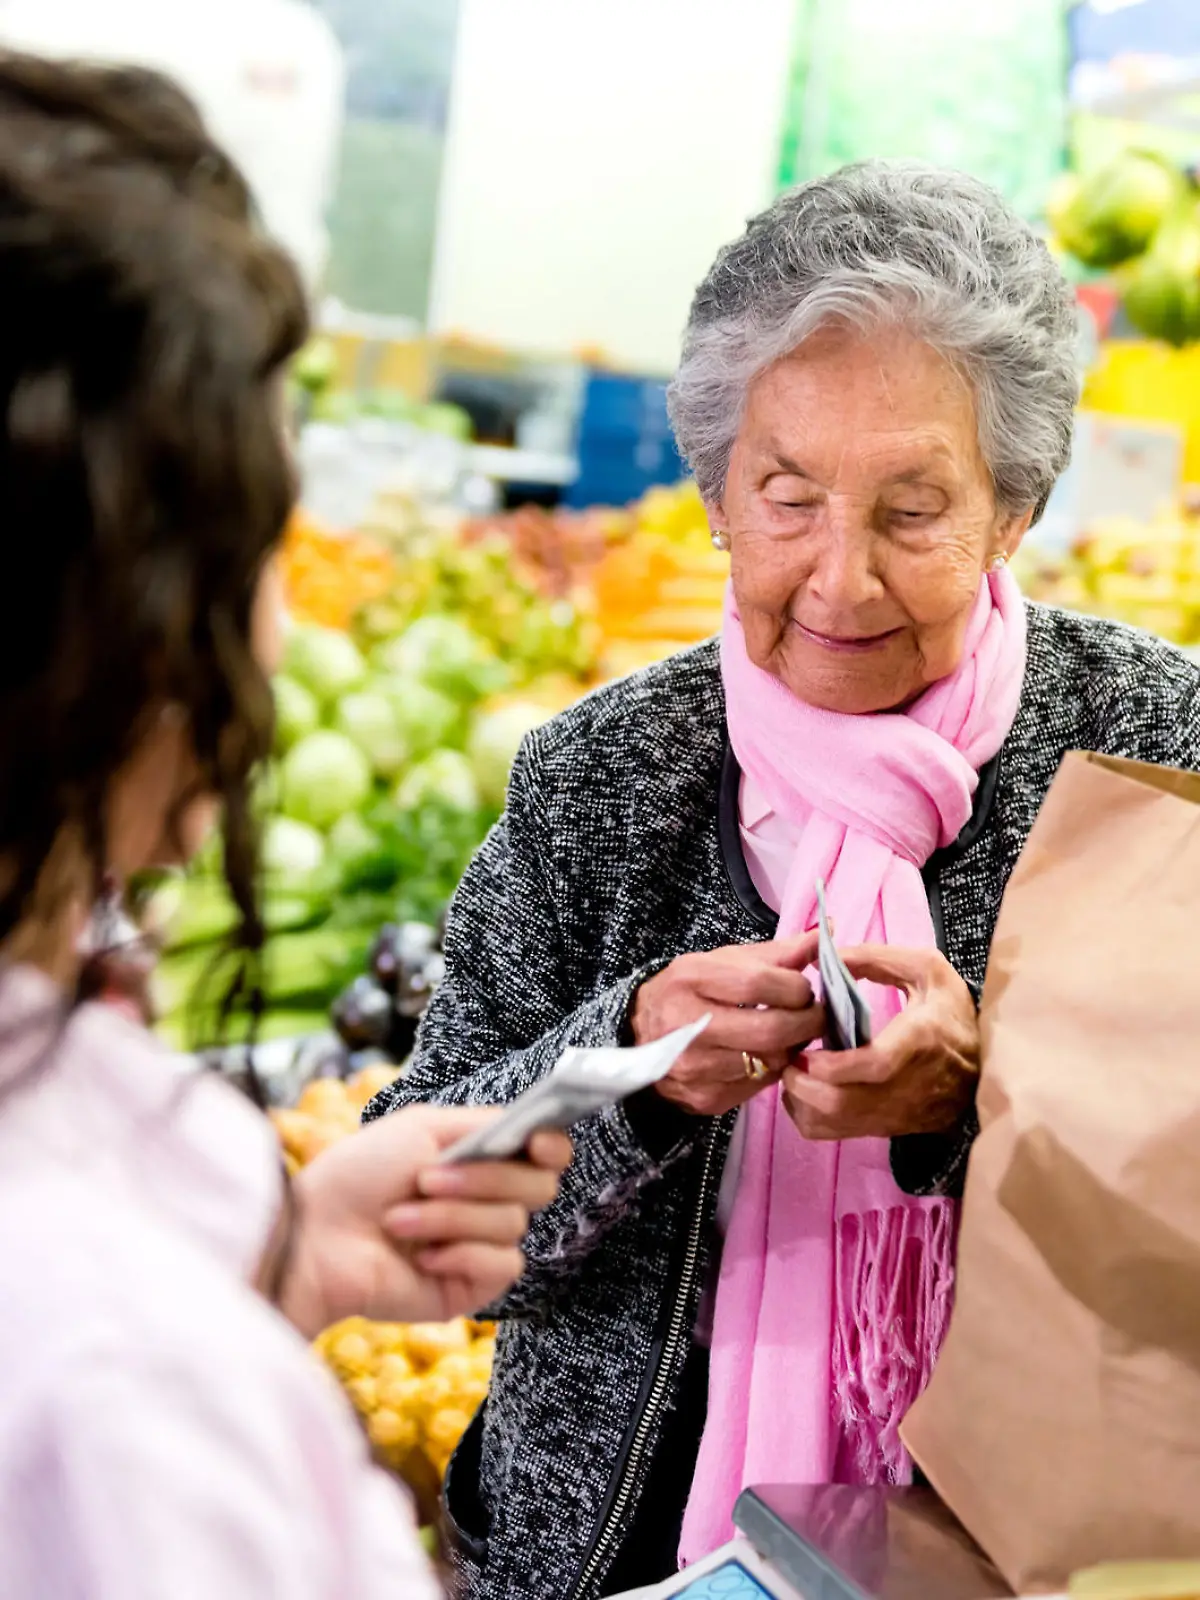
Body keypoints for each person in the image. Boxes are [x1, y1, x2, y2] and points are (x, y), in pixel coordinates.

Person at [367, 160, 1200, 1599]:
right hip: (603, 1561)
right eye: (788, 497)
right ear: (714, 494)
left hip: (1033, 1553)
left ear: (1016, 511)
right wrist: (631, 1062)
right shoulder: (603, 778)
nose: (838, 580)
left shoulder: (1153, 754)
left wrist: (974, 1110)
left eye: (913, 510)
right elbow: (420, 1205)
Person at [0, 51, 571, 1599]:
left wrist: (292, 1253)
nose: (277, 627)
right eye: (258, 535)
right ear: (110, 618)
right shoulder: (124, 1389)